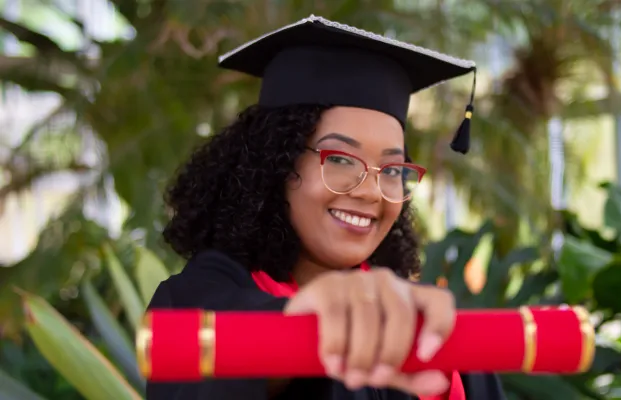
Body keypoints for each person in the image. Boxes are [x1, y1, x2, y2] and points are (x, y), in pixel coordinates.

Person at [146, 15, 506, 400]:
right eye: (339, 159)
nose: (371, 192)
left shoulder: (431, 329)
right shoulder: (197, 300)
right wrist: (307, 326)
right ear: (277, 164)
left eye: (391, 169)